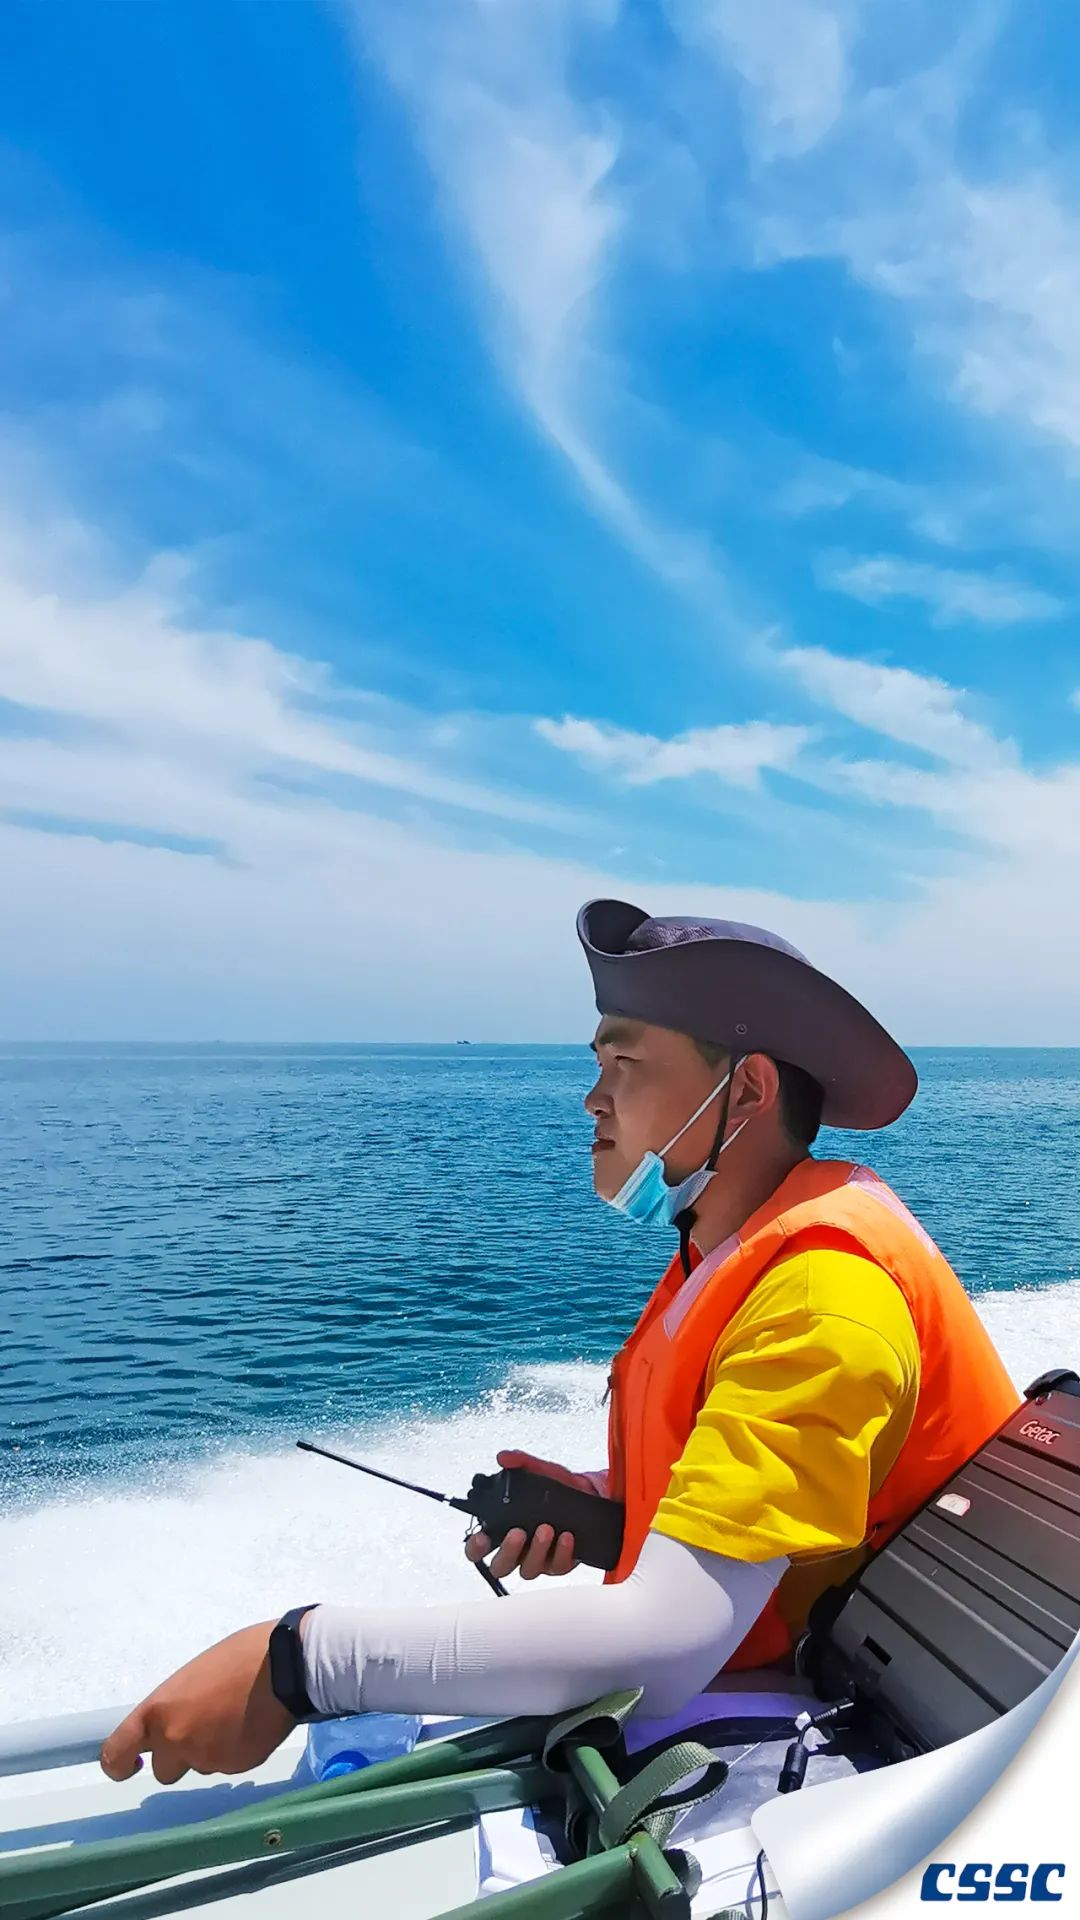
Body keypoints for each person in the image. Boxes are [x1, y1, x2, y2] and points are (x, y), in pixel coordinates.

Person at [101, 900, 1018, 1785]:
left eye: (625, 1063)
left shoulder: (822, 1296)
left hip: (890, 1748)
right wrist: (608, 1506)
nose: (592, 1099)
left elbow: (665, 1647)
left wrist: (300, 1662)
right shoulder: (724, 1255)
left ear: (745, 1090)